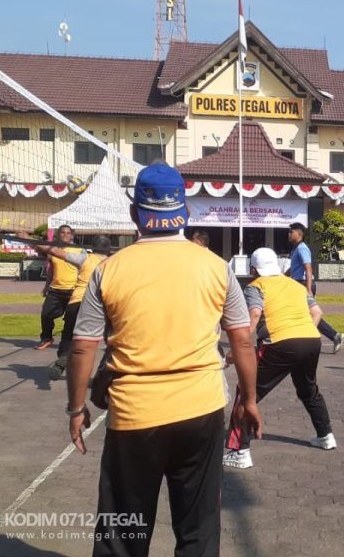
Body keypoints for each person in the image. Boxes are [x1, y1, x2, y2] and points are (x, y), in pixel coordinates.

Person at [66, 163, 262, 556]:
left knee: (124, 531)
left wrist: (75, 407)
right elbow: (242, 339)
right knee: (198, 526)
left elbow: (83, 345)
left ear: (136, 213)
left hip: (134, 412)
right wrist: (250, 400)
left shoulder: (108, 270)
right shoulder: (215, 266)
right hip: (201, 408)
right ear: (184, 212)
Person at [223, 247, 336, 468]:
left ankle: (240, 451)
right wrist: (301, 334)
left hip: (280, 342)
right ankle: (325, 435)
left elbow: (254, 314)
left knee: (247, 392)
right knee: (308, 390)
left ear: (253, 269)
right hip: (312, 340)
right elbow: (317, 313)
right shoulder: (296, 285)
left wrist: (240, 345)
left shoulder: (255, 286)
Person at [35, 236, 113, 381]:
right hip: (98, 305)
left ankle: (63, 359)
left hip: (76, 301)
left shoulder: (84, 258)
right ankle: (102, 374)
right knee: (99, 341)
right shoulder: (113, 263)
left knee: (68, 335)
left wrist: (30, 240)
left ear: (93, 247)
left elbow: (57, 252)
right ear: (109, 249)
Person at [287, 222, 344, 353]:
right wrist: (283, 276)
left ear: (299, 234)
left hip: (303, 284)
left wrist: (308, 290)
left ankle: (331, 336)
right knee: (307, 314)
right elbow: (294, 268)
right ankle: (334, 336)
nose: (289, 234)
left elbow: (308, 269)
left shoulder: (302, 248)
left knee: (309, 314)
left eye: (291, 232)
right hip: (298, 284)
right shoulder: (295, 248)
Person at [35, 225, 80, 350]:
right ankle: (46, 338)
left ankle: (68, 342)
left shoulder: (79, 251)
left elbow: (84, 270)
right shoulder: (52, 252)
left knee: (71, 319)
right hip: (55, 289)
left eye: (68, 233)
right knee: (45, 315)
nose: (65, 235)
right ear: (58, 235)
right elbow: (51, 271)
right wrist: (46, 287)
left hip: (73, 290)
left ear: (72, 235)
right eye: (62, 233)